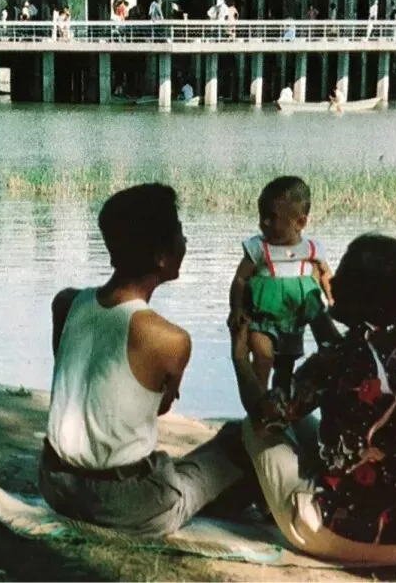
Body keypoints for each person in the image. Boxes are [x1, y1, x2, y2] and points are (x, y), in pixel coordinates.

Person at [39, 184, 249, 537]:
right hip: (125, 505)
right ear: (161, 258)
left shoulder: (66, 303)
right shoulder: (170, 339)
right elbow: (160, 408)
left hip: (56, 484)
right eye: (180, 232)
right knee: (240, 443)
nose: (185, 241)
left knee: (189, 465)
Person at [233, 233, 396, 564]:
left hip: (335, 535)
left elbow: (261, 416)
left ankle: (251, 502)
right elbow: (357, 360)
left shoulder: (338, 359)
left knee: (250, 429)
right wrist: (320, 319)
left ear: (358, 293)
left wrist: (240, 357)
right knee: (305, 422)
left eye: (340, 275)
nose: (332, 281)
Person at [227, 176, 338, 391]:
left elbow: (325, 274)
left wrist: (332, 298)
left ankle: (281, 403)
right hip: (262, 318)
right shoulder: (258, 248)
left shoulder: (311, 249)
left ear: (300, 222)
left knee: (285, 367)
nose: (265, 223)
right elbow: (240, 279)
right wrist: (237, 309)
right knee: (263, 357)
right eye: (262, 217)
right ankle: (259, 403)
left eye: (273, 218)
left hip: (293, 321)